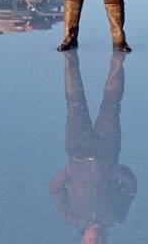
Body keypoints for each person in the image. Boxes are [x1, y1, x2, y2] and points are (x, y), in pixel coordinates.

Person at [50, 51, 137, 244]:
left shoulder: (70, 217)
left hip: (77, 150)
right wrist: (114, 171)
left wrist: (70, 172)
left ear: (83, 240)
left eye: (89, 243)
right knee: (112, 104)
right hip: (108, 150)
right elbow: (131, 187)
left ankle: (69, 58)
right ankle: (118, 62)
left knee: (74, 103)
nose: (93, 241)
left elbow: (54, 189)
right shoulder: (116, 217)